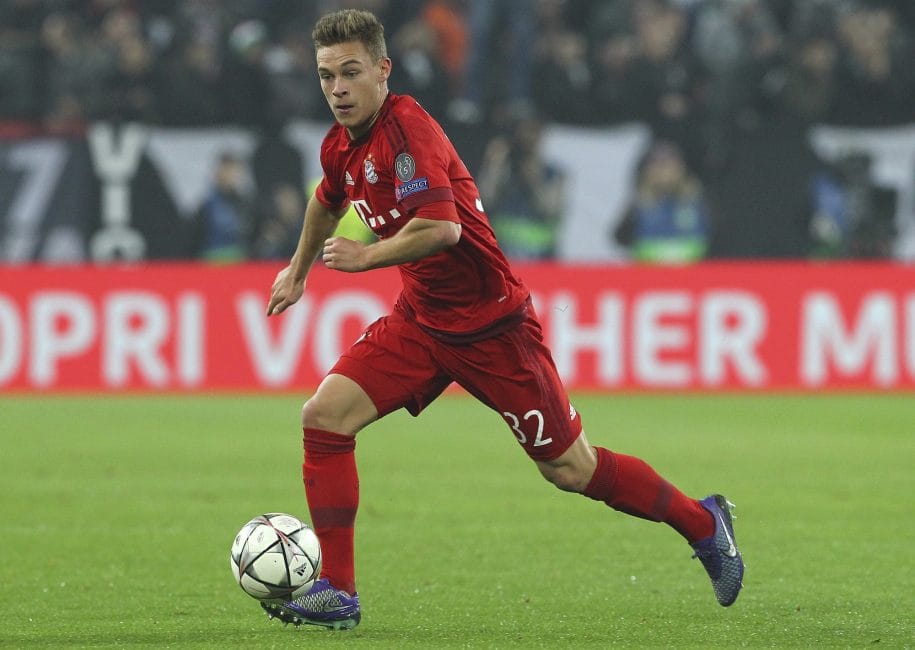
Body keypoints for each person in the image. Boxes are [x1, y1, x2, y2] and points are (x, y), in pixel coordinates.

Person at [261, 9, 744, 631]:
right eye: (326, 76)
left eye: (350, 73)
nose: (337, 89)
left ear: (383, 70)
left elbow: (443, 228)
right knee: (324, 418)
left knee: (572, 469)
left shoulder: (409, 133)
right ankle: (338, 592)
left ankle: (705, 523)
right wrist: (297, 271)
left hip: (494, 330)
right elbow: (327, 200)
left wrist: (366, 258)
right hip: (423, 323)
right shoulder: (340, 143)